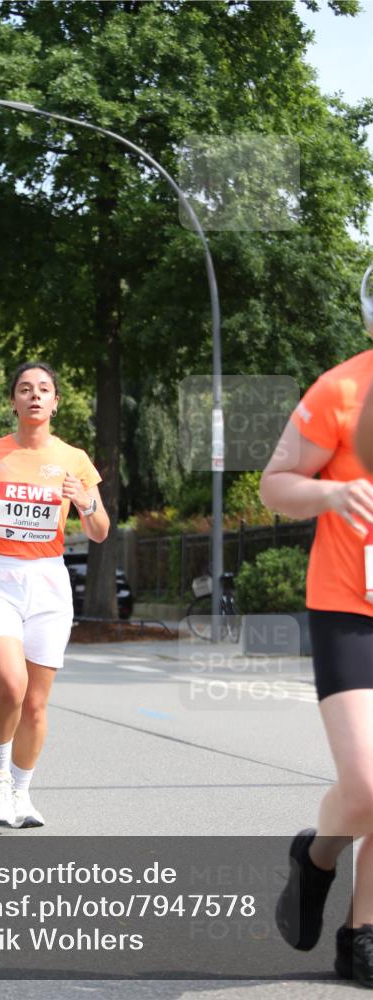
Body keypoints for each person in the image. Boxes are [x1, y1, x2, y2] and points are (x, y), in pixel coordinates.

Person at [260, 343, 373, 987]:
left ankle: (361, 934)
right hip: (349, 606)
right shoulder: (341, 390)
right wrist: (333, 495)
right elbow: (275, 486)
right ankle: (318, 854)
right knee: (366, 787)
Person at [0, 362, 109, 829]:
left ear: (56, 402)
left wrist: (83, 500)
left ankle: (22, 794)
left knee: (37, 704)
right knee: (9, 683)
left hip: (48, 581)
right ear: (13, 401)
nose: (35, 396)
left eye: (44, 389)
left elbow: (100, 531)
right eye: (25, 389)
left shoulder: (75, 459)